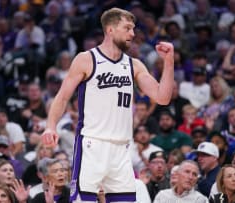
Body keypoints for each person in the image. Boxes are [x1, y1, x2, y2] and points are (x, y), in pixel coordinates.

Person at [41, 7, 174, 203]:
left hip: (122, 148)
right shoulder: (86, 59)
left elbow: (162, 98)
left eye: (133, 28)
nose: (132, 33)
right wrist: (50, 126)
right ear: (110, 30)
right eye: (127, 28)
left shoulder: (134, 65)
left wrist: (169, 62)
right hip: (92, 144)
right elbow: (61, 98)